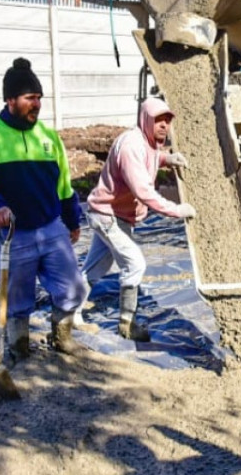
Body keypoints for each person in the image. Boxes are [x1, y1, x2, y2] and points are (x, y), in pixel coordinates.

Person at [0, 57, 87, 362]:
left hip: (51, 227)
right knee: (16, 299)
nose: (37, 104)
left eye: (39, 98)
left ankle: (61, 335)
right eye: (30, 98)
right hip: (12, 233)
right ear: (10, 99)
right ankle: (19, 344)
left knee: (74, 287)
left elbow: (64, 185)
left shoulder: (48, 137)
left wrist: (72, 219)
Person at [80, 97, 195, 341]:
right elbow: (143, 190)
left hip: (116, 214)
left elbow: (151, 157)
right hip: (108, 214)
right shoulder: (131, 146)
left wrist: (167, 159)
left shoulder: (147, 141)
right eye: (158, 120)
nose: (164, 125)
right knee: (135, 264)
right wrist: (176, 210)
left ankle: (69, 312)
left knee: (95, 268)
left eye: (167, 120)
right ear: (145, 119)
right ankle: (126, 324)